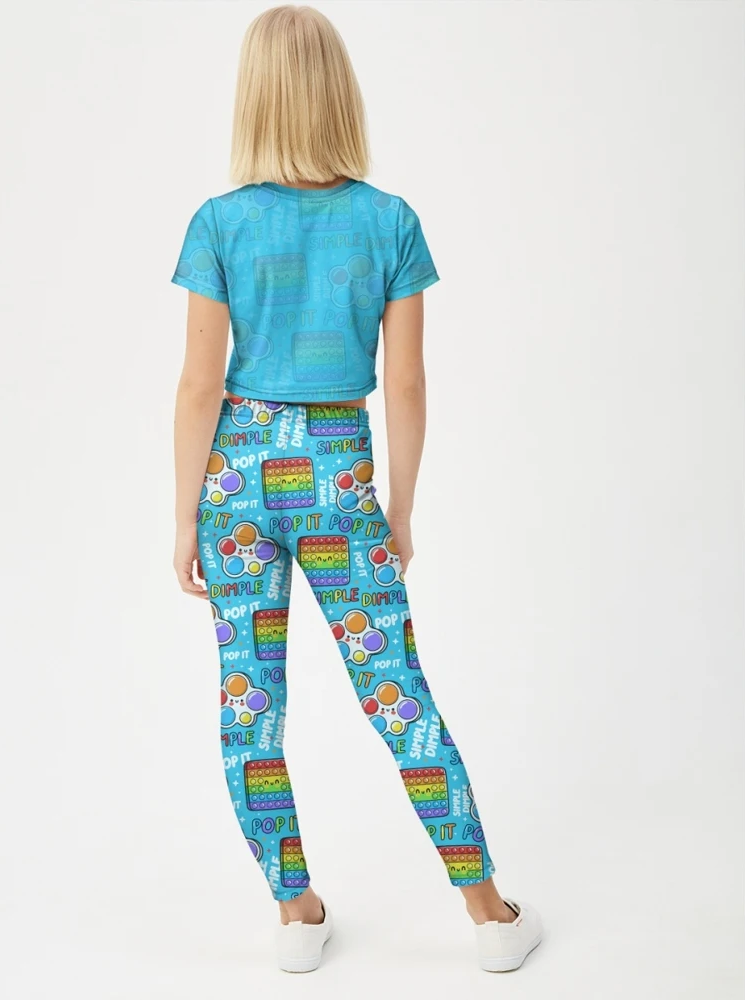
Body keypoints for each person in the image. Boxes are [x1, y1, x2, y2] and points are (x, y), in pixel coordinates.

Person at [171, 4, 541, 974]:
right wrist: (399, 508)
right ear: (340, 96)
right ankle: (490, 915)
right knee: (396, 691)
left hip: (236, 480)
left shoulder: (218, 224)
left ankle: (295, 913)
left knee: (249, 704)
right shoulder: (389, 222)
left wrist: (184, 517)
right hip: (339, 474)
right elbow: (406, 383)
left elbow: (200, 386)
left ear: (253, 100)